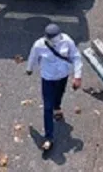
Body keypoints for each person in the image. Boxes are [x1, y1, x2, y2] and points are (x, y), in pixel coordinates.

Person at [25, 23, 82, 151]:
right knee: (47, 107)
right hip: (48, 78)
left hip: (63, 75)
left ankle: (57, 108)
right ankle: (49, 137)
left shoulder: (67, 41)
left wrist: (77, 76)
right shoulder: (39, 44)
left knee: (59, 94)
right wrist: (29, 69)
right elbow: (33, 57)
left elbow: (76, 57)